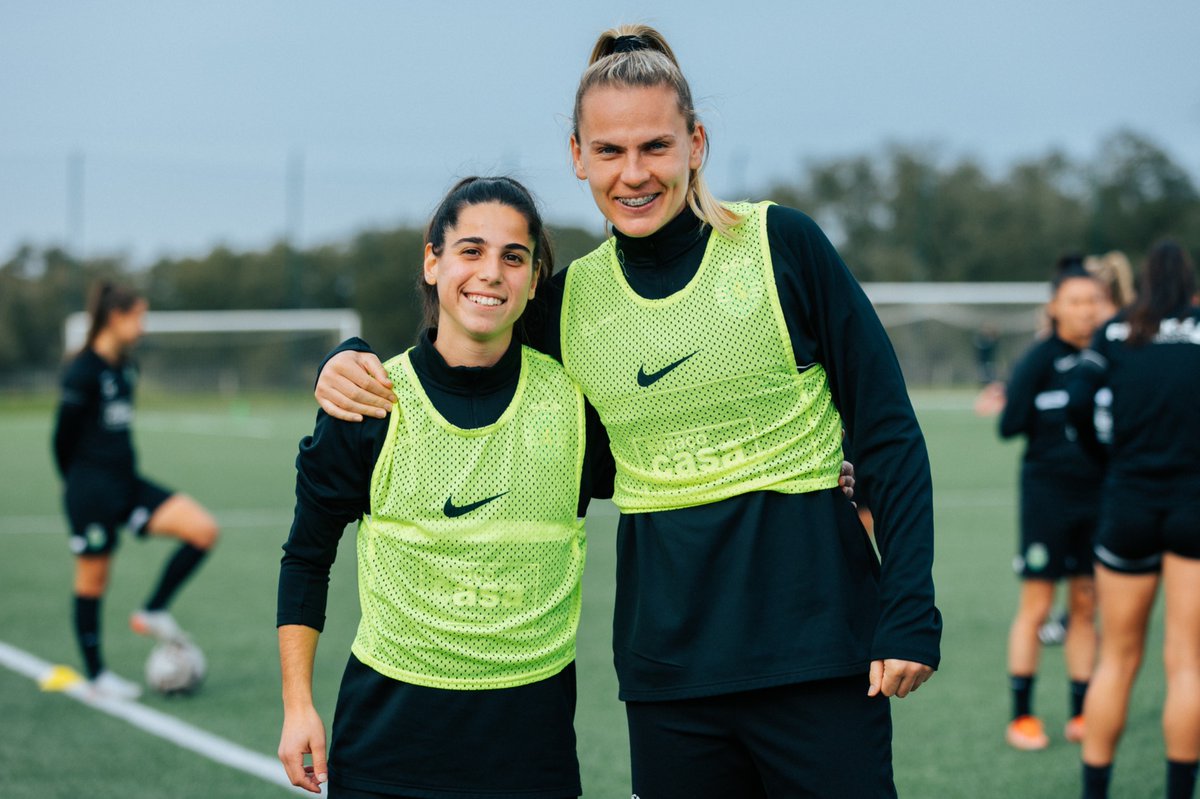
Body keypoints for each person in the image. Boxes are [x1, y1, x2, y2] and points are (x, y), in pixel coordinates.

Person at [315, 25, 940, 797]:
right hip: (668, 678)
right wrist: (344, 354)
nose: (633, 173)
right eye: (609, 151)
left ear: (696, 144)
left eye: (655, 146)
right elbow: (462, 341)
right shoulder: (569, 299)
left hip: (818, 654)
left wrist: (909, 607)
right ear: (578, 157)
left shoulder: (782, 246)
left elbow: (888, 430)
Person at [277, 176, 615, 798]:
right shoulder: (370, 401)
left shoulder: (579, 406)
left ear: (534, 280)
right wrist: (298, 706)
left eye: (514, 257)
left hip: (530, 762)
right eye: (470, 250)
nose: (491, 272)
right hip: (386, 756)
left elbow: (674, 477)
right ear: (432, 262)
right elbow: (306, 556)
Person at [1066, 239, 1200, 799]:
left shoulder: (1119, 330)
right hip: (1195, 506)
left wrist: (1106, 459)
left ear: (1144, 282)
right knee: (1187, 662)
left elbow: (1076, 400)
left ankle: (1096, 792)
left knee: (1116, 659)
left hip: (1128, 504)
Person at [52, 281, 219, 699]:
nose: (143, 326)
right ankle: (97, 677)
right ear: (116, 317)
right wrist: (79, 489)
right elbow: (62, 440)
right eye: (138, 317)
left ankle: (153, 608)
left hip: (128, 485)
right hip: (91, 492)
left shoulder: (127, 367)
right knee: (92, 582)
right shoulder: (82, 371)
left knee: (203, 530)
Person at [996, 256, 1106, 750]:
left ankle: (1082, 715)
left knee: (1084, 605)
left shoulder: (1110, 356)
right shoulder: (1039, 359)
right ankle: (1022, 717)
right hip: (1046, 498)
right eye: (1076, 302)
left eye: (1093, 302)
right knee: (1037, 606)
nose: (1086, 311)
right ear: (1055, 308)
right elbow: (1009, 425)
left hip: (1101, 498)